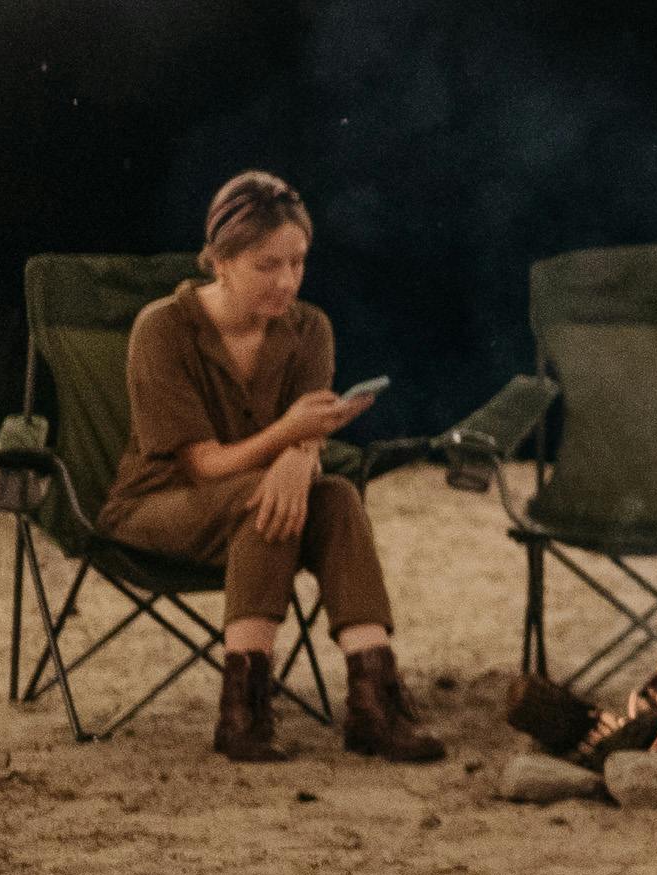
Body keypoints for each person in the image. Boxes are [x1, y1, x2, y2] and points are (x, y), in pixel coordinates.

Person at [102, 172, 446, 766]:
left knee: (335, 497)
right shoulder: (162, 329)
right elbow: (204, 466)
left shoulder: (308, 328)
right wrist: (290, 437)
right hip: (159, 504)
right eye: (268, 266)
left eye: (298, 263)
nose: (287, 281)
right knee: (267, 495)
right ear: (221, 262)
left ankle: (372, 704)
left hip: (251, 508)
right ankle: (243, 711)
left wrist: (302, 453)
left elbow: (309, 430)